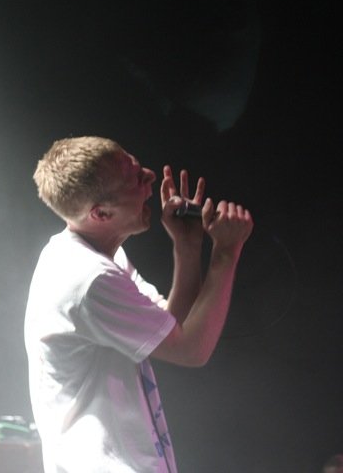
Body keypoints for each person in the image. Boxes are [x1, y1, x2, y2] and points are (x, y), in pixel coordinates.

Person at [24, 136, 253, 473]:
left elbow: (171, 328)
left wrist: (187, 245)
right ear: (101, 213)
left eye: (138, 166)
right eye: (134, 179)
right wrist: (226, 254)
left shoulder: (100, 257)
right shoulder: (89, 278)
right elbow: (192, 351)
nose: (150, 176)